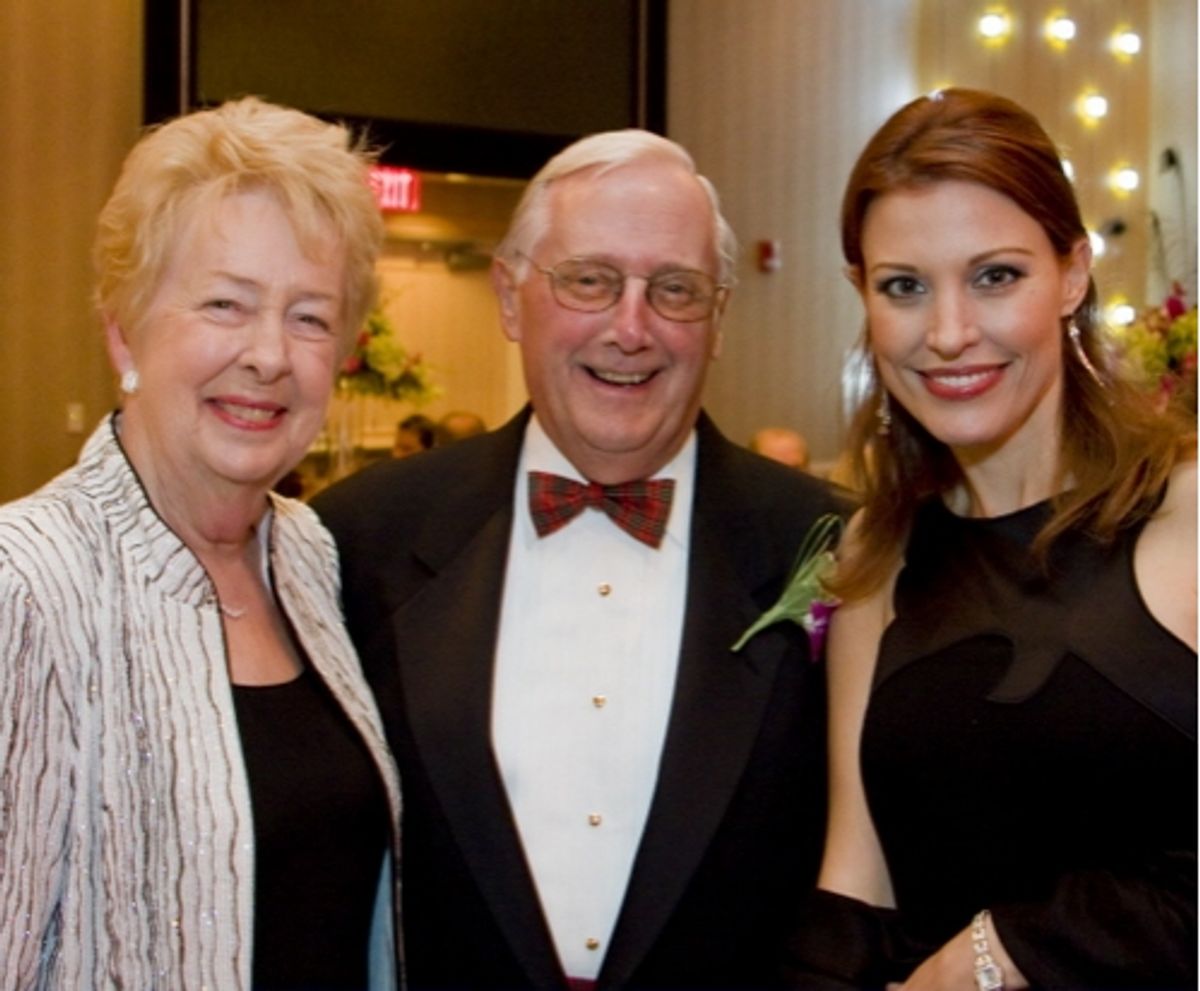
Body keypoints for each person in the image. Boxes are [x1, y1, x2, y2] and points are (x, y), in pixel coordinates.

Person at [313, 129, 850, 989]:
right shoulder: (358, 539)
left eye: (674, 289)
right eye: (590, 280)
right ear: (510, 296)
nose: (629, 327)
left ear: (717, 318)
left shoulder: (834, 551)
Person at [785, 88, 1196, 989]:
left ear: (1074, 273)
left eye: (995, 275)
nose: (949, 334)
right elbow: (855, 891)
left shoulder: (1189, 516)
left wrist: (1003, 951)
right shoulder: (877, 555)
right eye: (904, 287)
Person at [0, 97, 402, 989]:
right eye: (226, 303)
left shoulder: (310, 555)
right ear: (124, 328)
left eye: (309, 317)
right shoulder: (24, 584)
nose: (267, 354)